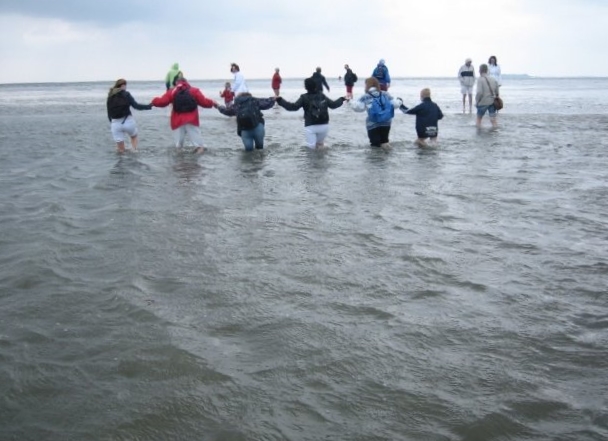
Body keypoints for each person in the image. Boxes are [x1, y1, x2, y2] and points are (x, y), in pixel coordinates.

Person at [151, 77, 219, 153]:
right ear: (187, 82)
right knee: (199, 146)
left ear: (176, 83)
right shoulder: (194, 90)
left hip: (177, 121)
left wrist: (153, 101)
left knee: (178, 147)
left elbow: (162, 102)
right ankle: (197, 161)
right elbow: (204, 102)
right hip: (192, 120)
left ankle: (180, 162)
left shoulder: (172, 91)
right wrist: (213, 103)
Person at [276, 77, 346, 149]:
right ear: (315, 86)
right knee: (320, 146)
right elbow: (333, 105)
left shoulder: (304, 97)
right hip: (324, 126)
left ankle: (311, 160)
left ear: (305, 87)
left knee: (311, 148)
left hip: (310, 126)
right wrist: (342, 99)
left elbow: (293, 107)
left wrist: (280, 100)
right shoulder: (322, 95)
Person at [351, 77, 401, 149]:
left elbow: (358, 108)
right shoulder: (385, 94)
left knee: (375, 146)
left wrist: (349, 102)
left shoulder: (365, 97)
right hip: (386, 123)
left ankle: (376, 159)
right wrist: (400, 101)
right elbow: (395, 105)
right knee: (385, 142)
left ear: (367, 85)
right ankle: (388, 158)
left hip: (373, 124)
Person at [106, 78, 152, 154]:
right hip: (128, 121)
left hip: (115, 124)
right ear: (123, 85)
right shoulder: (126, 94)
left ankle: (122, 164)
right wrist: (148, 106)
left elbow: (109, 114)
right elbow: (136, 106)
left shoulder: (110, 96)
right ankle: (133, 155)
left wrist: (113, 123)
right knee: (134, 137)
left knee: (120, 151)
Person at [475, 64, 499, 129]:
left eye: (479, 70)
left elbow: (479, 92)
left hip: (483, 102)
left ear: (480, 70)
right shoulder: (493, 79)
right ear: (487, 70)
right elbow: (497, 91)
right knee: (493, 120)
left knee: (479, 119)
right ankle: (495, 133)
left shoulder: (480, 79)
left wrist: (477, 101)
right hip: (492, 101)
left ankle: (478, 134)